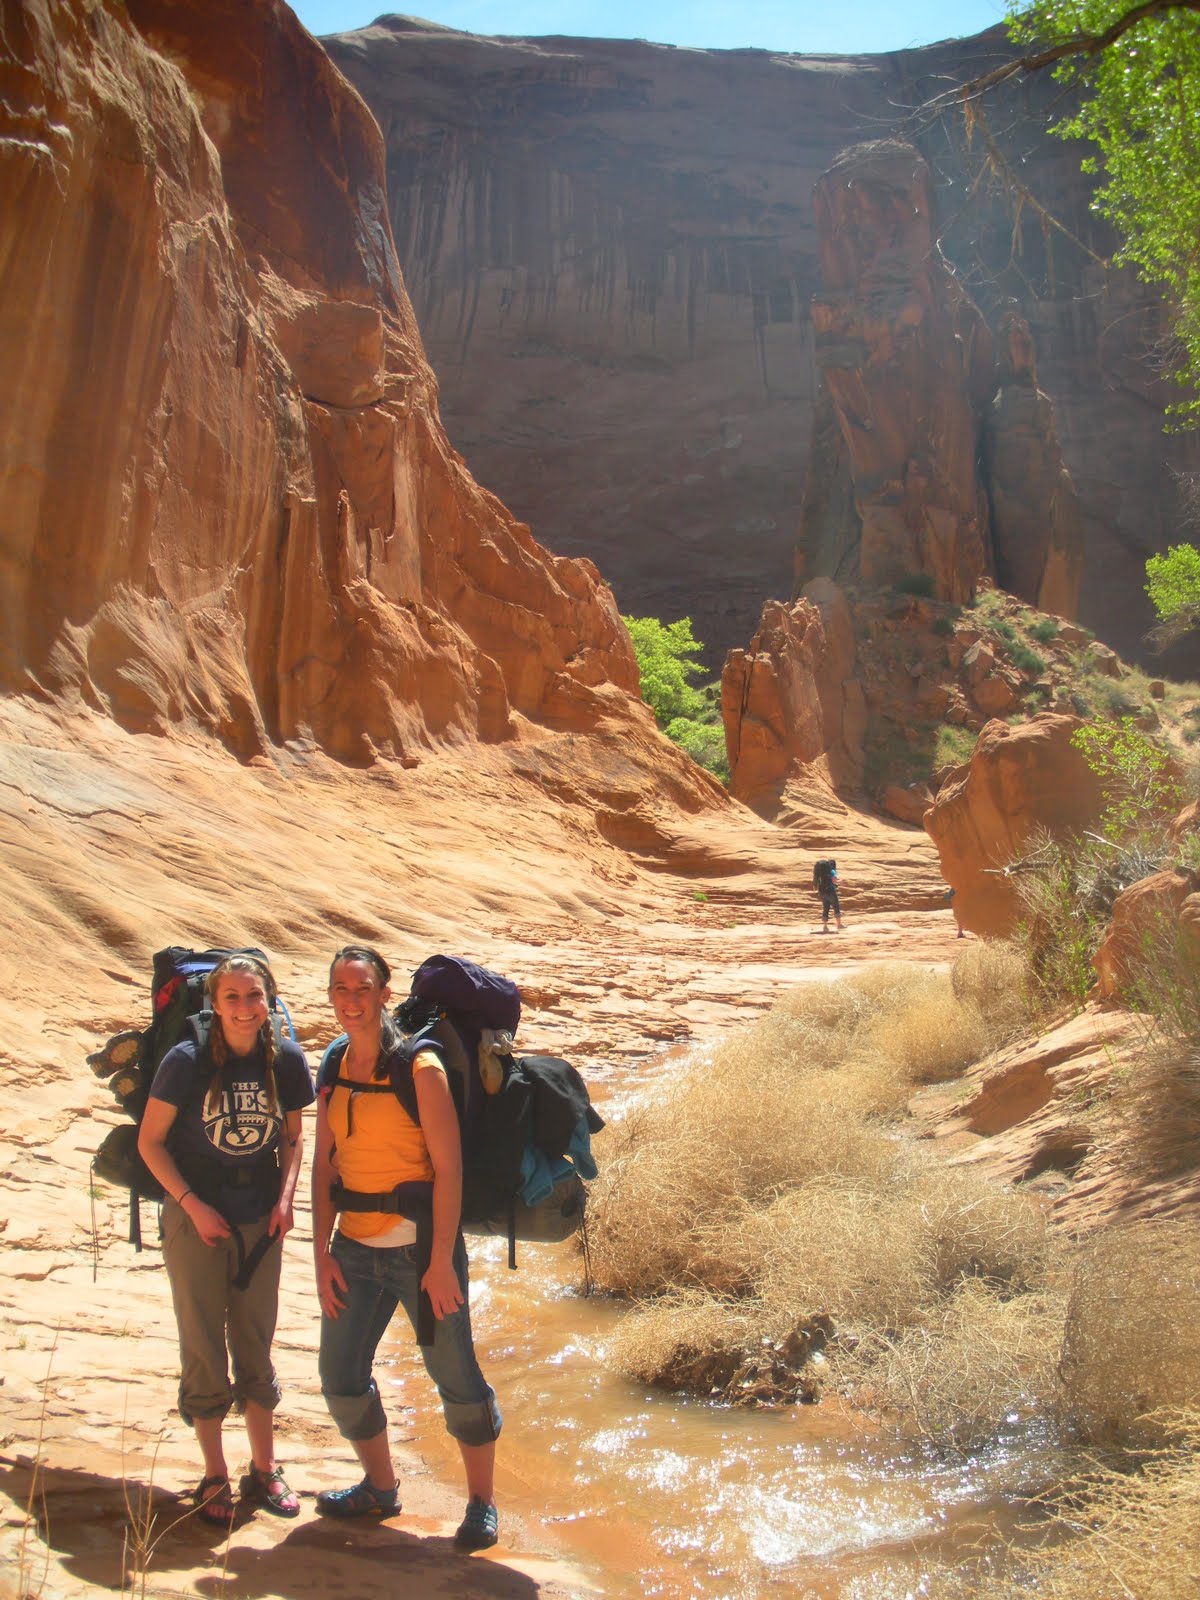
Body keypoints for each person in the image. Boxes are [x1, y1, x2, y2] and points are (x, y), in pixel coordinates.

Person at [312, 945, 502, 1549]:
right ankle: (380, 1488)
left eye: (362, 988)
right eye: (340, 989)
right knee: (339, 1375)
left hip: (420, 1252)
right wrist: (320, 1252)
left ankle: (480, 1504)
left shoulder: (420, 1066)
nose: (351, 1001)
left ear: (384, 994)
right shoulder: (333, 1064)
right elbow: (323, 1167)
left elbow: (450, 1170)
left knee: (454, 1375)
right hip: (353, 1250)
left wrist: (442, 1260)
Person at [138, 953, 314, 1527]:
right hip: (197, 1217)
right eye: (232, 997)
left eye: (254, 996)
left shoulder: (283, 1057)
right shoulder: (185, 1060)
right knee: (202, 1342)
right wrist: (193, 1206)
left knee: (256, 1338)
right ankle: (214, 1476)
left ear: (270, 1000)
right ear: (213, 1003)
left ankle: (263, 1470)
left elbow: (292, 1139)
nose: (244, 1008)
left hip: (260, 1218)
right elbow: (151, 1143)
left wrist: (286, 1200)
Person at [813, 858, 844, 933]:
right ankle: (839, 924)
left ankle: (825, 926)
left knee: (826, 908)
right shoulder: (832, 871)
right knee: (836, 906)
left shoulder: (819, 873)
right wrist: (840, 882)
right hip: (831, 891)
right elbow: (834, 881)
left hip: (822, 892)